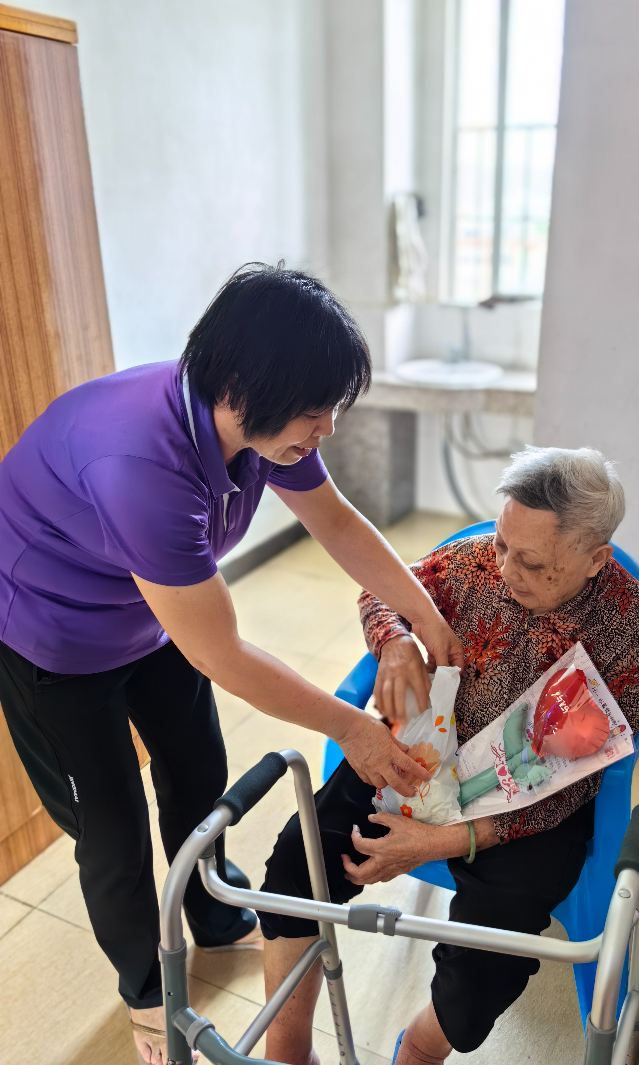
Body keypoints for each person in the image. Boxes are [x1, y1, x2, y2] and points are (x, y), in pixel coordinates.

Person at [0, 264, 463, 1065]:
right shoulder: (141, 466)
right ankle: (146, 988)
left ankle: (214, 915)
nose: (327, 429)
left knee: (197, 768)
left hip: (152, 619)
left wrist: (424, 613)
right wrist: (350, 727)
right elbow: (220, 651)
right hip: (55, 640)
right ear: (243, 387)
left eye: (333, 408)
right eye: (316, 412)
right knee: (110, 830)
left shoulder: (260, 424)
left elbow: (336, 523)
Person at [258, 446, 639, 1065]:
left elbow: (577, 781)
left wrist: (440, 842)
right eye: (502, 543)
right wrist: (395, 643)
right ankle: (286, 1052)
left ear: (596, 560)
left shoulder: (632, 629)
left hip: (535, 804)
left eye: (531, 561)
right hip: (428, 755)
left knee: (484, 968)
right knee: (299, 859)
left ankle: (420, 1049)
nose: (504, 569)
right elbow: (381, 590)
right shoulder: (473, 564)